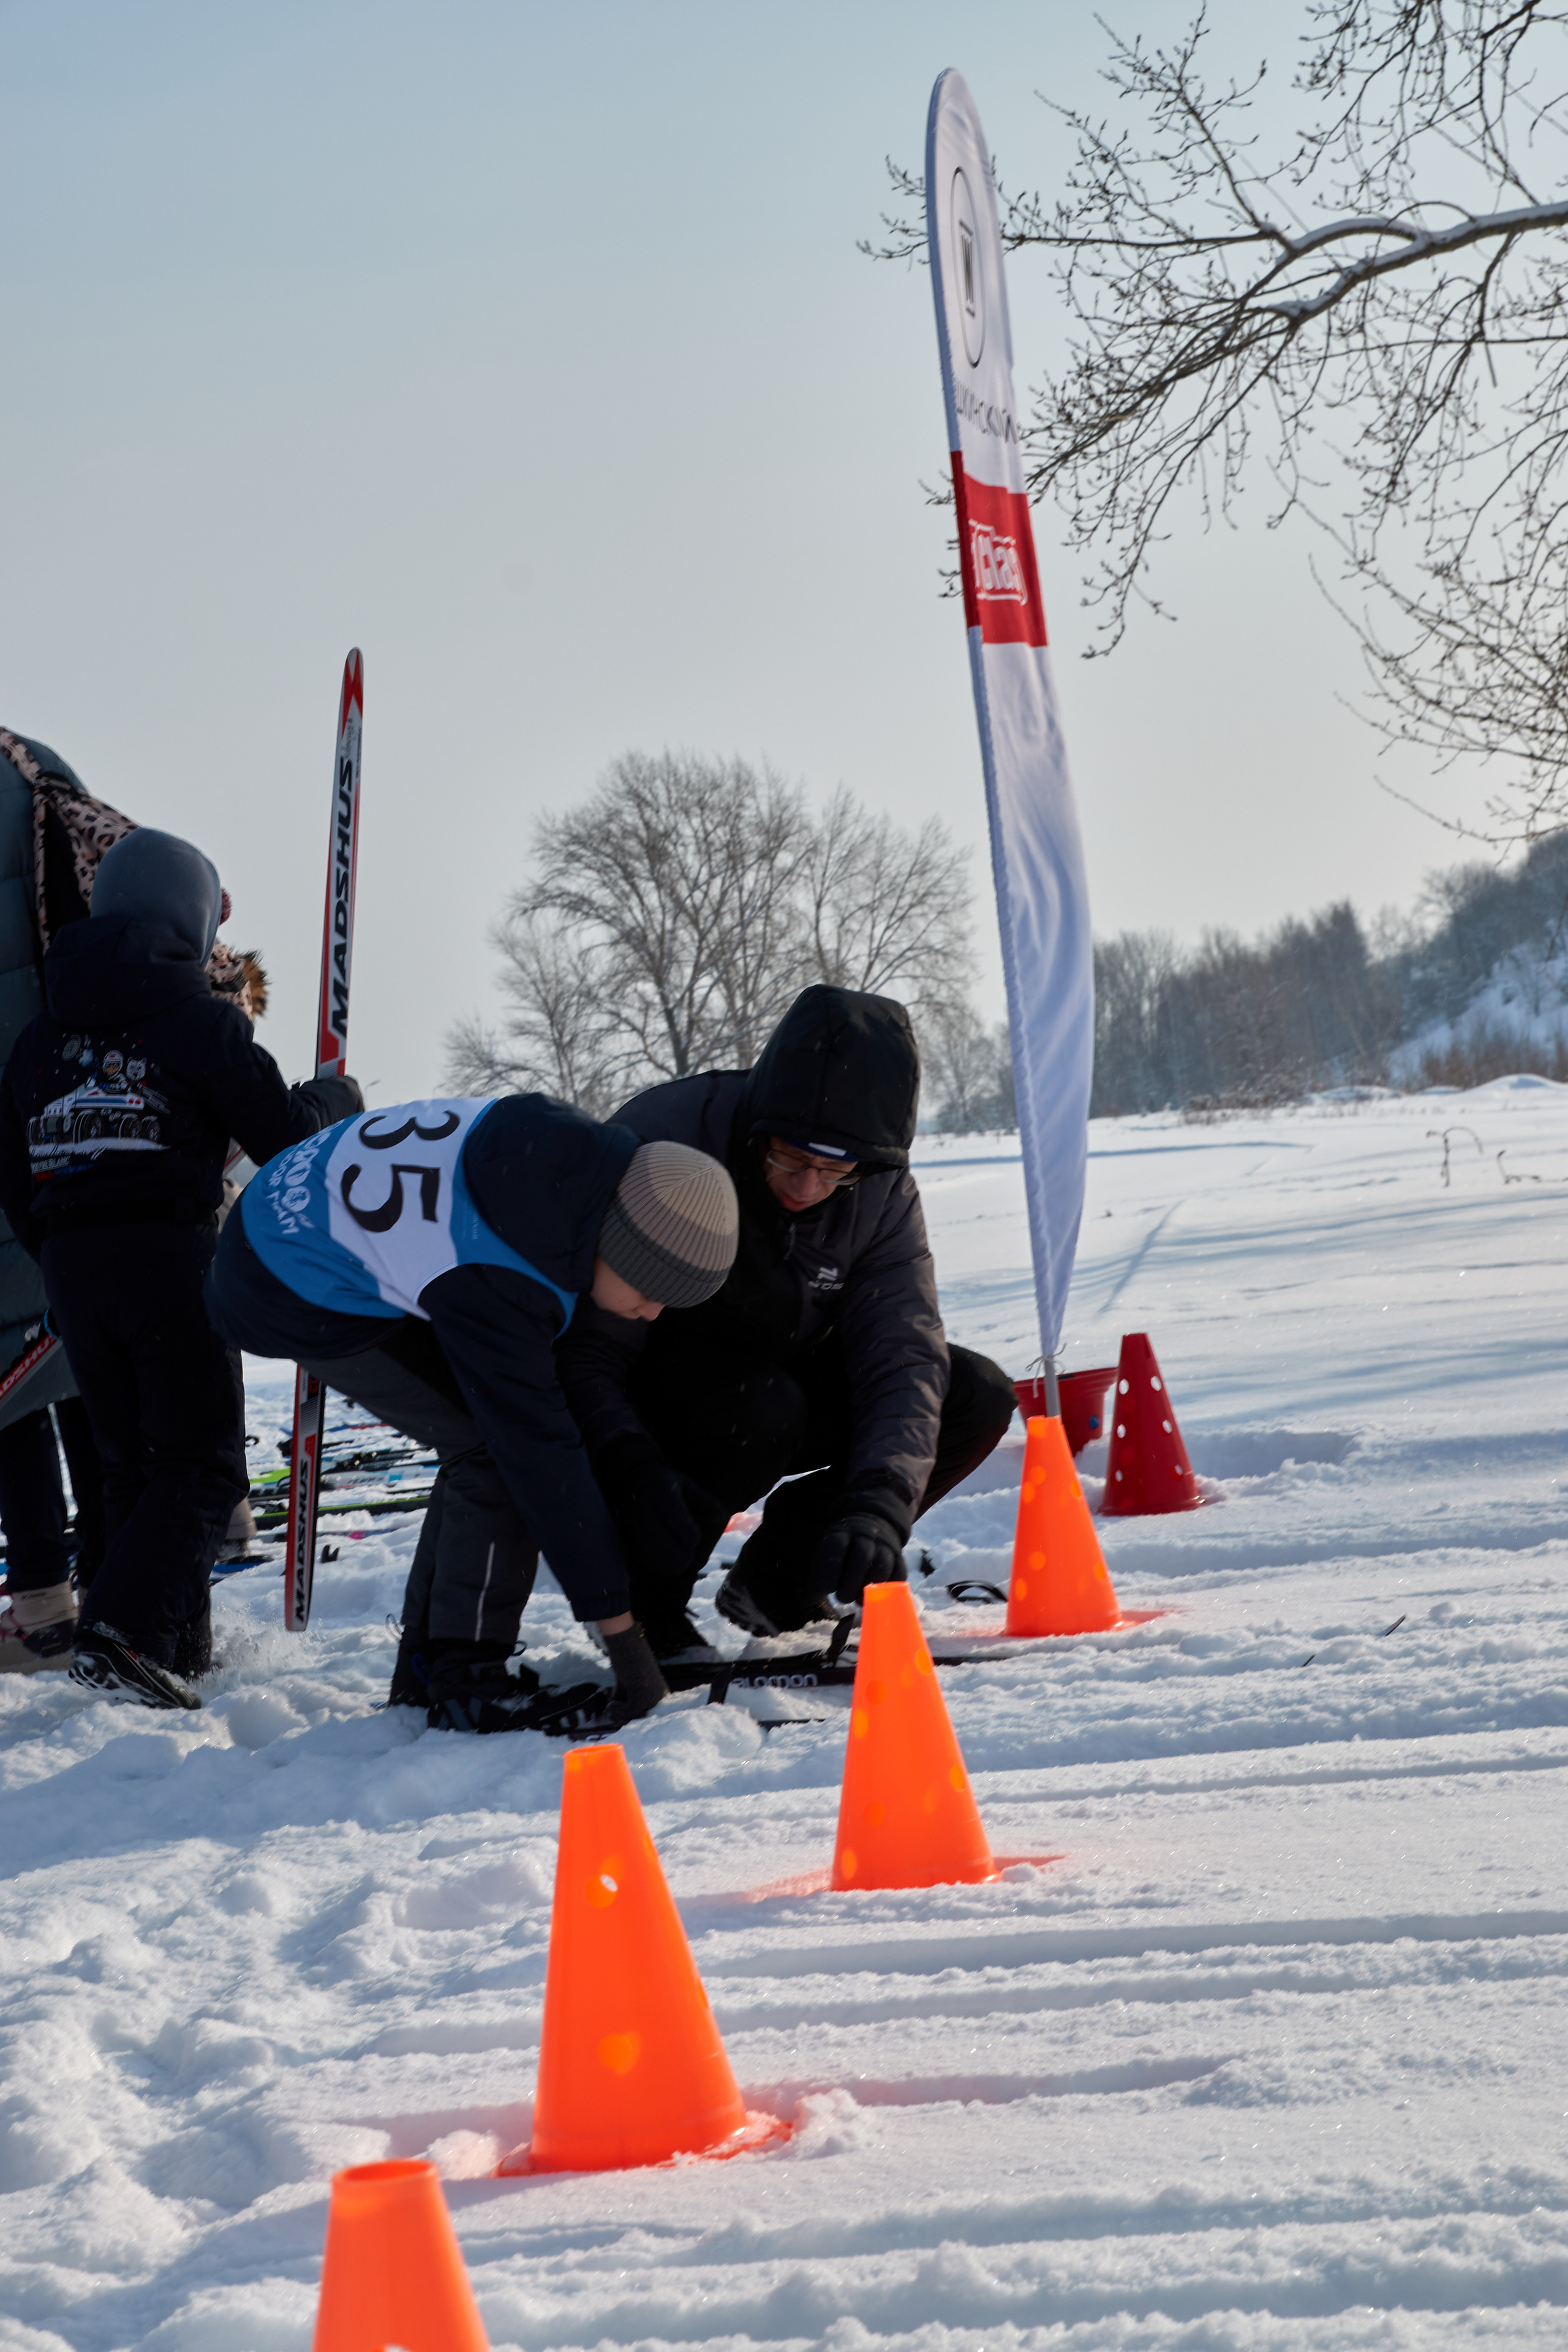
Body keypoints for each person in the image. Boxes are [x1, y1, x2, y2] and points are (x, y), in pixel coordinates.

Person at [204, 1094, 739, 1733]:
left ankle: (430, 1671)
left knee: (486, 1434)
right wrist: (624, 1639)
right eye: (651, 1294)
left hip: (290, 1203)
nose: (652, 1314)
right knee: (491, 1448)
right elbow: (535, 1447)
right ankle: (467, 1680)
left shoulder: (584, 1163)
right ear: (615, 1247)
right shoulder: (502, 1270)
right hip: (281, 1277)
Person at [0, 827, 363, 1709]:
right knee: (202, 1469)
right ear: (192, 923)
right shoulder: (202, 1025)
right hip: (169, 1256)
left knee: (131, 1469)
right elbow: (283, 1139)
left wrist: (61, 1251)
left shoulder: (42, 1036)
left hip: (74, 1270)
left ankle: (165, 1646)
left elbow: (11, 1171)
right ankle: (122, 1636)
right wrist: (337, 1102)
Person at [557, 983, 1017, 1651]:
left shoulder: (882, 1190)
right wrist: (627, 1464)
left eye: (836, 1173)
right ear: (759, 1125)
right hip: (661, 1388)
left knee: (972, 1394)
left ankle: (780, 1582)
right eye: (792, 1159)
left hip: (783, 1370)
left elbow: (902, 1350)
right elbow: (589, 1346)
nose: (808, 1188)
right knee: (761, 1407)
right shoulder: (665, 1141)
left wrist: (880, 1503)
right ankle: (647, 1605)